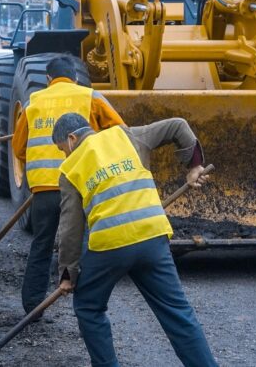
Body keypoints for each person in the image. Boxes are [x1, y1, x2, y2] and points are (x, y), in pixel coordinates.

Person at [52, 113, 217, 367]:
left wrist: (67, 274)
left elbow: (70, 227)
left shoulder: (70, 168)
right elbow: (178, 126)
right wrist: (194, 166)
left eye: (63, 149)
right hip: (152, 238)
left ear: (72, 138)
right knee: (177, 313)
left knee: (88, 307)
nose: (65, 155)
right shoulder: (127, 135)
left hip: (109, 248)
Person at [11, 55, 124, 315]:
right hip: (82, 185)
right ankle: (86, 303)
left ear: (48, 80)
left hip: (44, 192)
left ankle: (33, 307)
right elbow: (120, 131)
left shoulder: (33, 102)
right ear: (74, 77)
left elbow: (18, 148)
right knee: (83, 245)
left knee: (41, 244)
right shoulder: (90, 96)